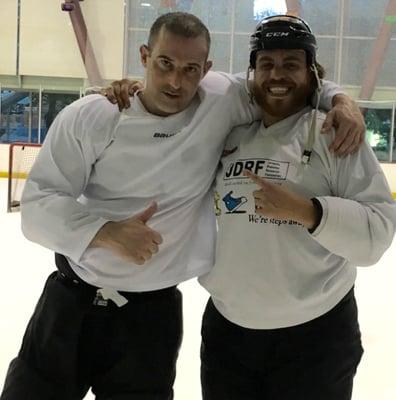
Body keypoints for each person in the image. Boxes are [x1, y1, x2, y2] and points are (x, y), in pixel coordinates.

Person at [1, 12, 363, 400]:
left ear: (206, 69)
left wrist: (341, 100)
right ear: (144, 56)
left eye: (191, 68)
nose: (177, 81)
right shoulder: (94, 116)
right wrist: (106, 233)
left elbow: (284, 80)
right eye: (165, 63)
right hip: (72, 303)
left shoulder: (220, 102)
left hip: (151, 317)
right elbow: (38, 204)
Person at [198, 15, 396, 400]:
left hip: (316, 338)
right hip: (229, 334)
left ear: (311, 72)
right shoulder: (229, 133)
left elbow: (378, 232)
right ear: (251, 73)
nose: (277, 74)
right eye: (267, 64)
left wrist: (310, 213)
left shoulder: (335, 134)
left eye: (291, 64)